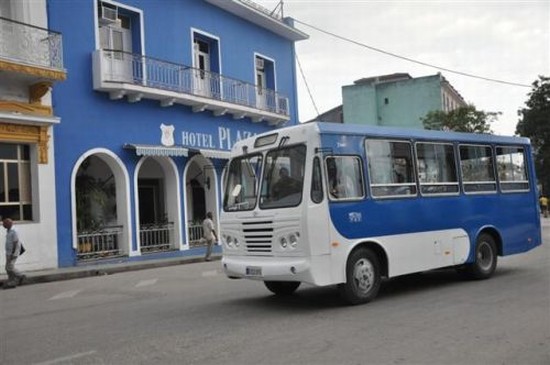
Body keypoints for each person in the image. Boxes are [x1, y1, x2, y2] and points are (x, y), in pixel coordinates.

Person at [3, 216, 25, 289]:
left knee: (10, 267)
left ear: (9, 224)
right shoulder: (9, 230)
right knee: (7, 268)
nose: (3, 225)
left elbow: (15, 242)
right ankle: (11, 281)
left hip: (13, 253)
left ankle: (20, 276)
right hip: (8, 252)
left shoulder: (14, 231)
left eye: (4, 224)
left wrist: (13, 253)